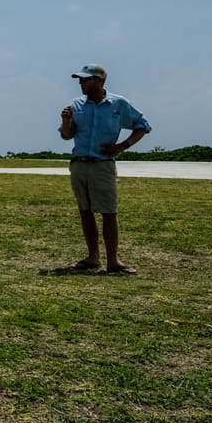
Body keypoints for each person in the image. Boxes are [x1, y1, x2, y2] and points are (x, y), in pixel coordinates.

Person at [58, 64, 152, 274]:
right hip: (79, 164)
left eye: (85, 79)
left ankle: (113, 261)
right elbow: (66, 135)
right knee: (85, 212)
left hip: (102, 166)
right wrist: (65, 121)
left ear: (99, 81)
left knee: (109, 212)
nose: (80, 83)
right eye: (80, 80)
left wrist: (121, 146)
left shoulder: (118, 104)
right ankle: (93, 258)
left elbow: (143, 126)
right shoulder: (77, 105)